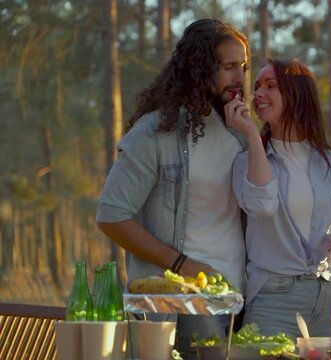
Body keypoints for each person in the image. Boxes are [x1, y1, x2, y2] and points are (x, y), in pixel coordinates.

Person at [96, 18, 249, 359]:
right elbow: (111, 215)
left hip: (239, 301)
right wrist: (181, 264)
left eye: (243, 67)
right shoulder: (154, 135)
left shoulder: (239, 133)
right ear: (199, 69)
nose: (239, 77)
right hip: (184, 305)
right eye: (228, 67)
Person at [228, 59, 331, 338]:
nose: (258, 94)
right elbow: (262, 206)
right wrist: (251, 133)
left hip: (329, 299)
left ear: (298, 94)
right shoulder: (245, 161)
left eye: (271, 86)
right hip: (273, 301)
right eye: (257, 87)